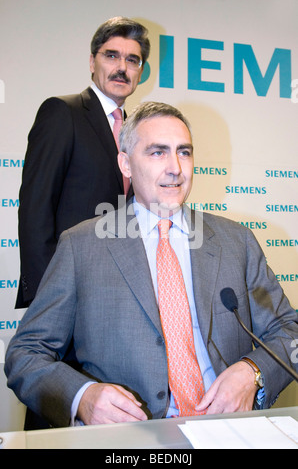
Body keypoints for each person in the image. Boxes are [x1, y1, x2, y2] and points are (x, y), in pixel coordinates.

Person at [5, 102, 298, 428]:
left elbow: (291, 331)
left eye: (184, 152)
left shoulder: (237, 241)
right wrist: (83, 397)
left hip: (228, 432)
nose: (175, 167)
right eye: (158, 153)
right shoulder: (82, 246)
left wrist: (252, 372)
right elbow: (25, 354)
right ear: (126, 164)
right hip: (129, 439)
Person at [15, 16, 150, 310]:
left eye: (132, 60)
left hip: (118, 292)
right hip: (66, 288)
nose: (122, 68)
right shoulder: (63, 112)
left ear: (140, 71)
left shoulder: (135, 133)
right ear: (92, 62)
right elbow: (35, 208)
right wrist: (47, 294)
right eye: (111, 55)